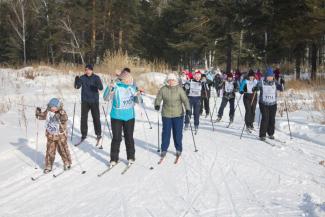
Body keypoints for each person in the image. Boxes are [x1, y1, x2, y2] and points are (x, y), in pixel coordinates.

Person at [103, 71, 140, 166]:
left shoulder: (132, 88)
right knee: (116, 138)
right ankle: (113, 159)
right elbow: (106, 98)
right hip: (116, 116)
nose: (129, 81)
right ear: (123, 79)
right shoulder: (115, 86)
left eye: (130, 79)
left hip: (129, 117)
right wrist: (109, 88)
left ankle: (131, 157)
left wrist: (138, 95)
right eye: (128, 79)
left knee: (129, 137)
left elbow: (139, 101)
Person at [155, 73, 190, 160]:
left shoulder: (179, 89)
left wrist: (188, 109)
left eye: (172, 80)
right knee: (166, 133)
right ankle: (164, 149)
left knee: (177, 133)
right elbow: (158, 98)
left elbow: (185, 100)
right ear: (167, 81)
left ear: (175, 81)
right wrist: (157, 104)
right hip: (166, 114)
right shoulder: (163, 89)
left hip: (178, 115)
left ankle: (178, 149)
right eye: (169, 80)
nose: (171, 82)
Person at [35, 98, 72, 173]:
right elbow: (41, 116)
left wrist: (60, 116)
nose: (52, 109)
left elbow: (65, 118)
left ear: (58, 107)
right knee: (50, 151)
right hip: (51, 135)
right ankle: (48, 165)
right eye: (51, 107)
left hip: (60, 136)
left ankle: (67, 162)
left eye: (54, 107)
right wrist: (38, 113)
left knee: (63, 150)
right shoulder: (48, 111)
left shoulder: (62, 112)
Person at [74, 64, 103, 143]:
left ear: (92, 70)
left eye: (89, 70)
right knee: (83, 118)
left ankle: (98, 134)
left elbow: (101, 88)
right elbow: (77, 87)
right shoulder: (82, 78)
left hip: (94, 101)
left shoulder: (96, 78)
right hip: (85, 101)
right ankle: (84, 134)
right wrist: (76, 80)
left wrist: (97, 85)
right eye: (86, 70)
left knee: (96, 118)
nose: (87, 71)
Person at [254, 67, 284, 141]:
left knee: (272, 119)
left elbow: (281, 88)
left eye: (271, 76)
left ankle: (270, 133)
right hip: (263, 103)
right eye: (268, 76)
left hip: (273, 103)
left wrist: (282, 84)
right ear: (266, 76)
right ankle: (262, 135)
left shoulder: (275, 82)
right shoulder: (261, 82)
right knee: (265, 118)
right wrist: (255, 89)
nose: (270, 78)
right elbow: (256, 87)